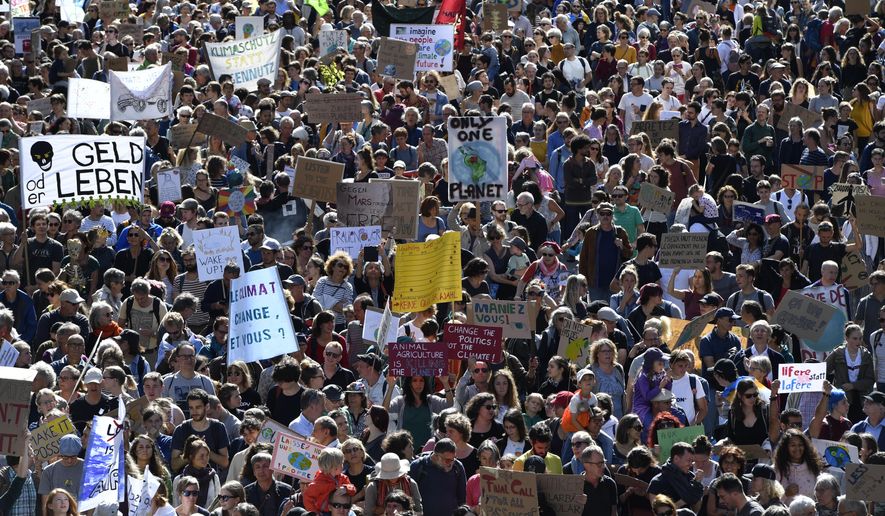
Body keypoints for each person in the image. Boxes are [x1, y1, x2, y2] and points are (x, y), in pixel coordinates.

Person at [408, 439, 466, 516]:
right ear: (435, 456)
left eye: (454, 458)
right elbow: (410, 497)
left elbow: (462, 497)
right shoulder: (418, 466)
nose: (451, 463)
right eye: (447, 460)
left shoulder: (458, 467)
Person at [646, 442, 704, 511]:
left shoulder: (690, 478)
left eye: (692, 461)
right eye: (688, 461)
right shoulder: (657, 482)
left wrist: (697, 485)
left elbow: (696, 510)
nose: (691, 465)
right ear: (676, 458)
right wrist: (686, 498)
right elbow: (659, 513)